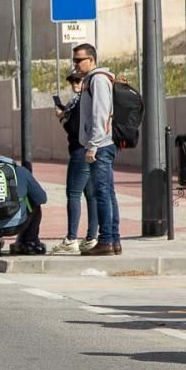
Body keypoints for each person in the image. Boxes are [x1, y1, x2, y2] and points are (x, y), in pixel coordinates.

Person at [74, 43, 121, 256]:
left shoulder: (98, 80)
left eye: (79, 60)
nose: (75, 64)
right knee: (107, 193)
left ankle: (107, 241)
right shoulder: (91, 80)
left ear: (91, 60)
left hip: (101, 145)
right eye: (74, 60)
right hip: (101, 144)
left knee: (102, 193)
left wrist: (92, 145)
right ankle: (114, 240)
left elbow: (100, 115)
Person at [50, 72, 99, 254]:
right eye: (71, 82)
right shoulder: (89, 98)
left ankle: (71, 238)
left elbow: (74, 128)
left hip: (80, 150)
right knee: (90, 195)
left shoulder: (81, 100)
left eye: (77, 81)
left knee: (73, 193)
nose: (74, 85)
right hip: (91, 149)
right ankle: (91, 237)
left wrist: (62, 117)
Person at [0, 146, 47, 257]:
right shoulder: (22, 172)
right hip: (16, 225)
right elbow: (42, 198)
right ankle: (30, 242)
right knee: (34, 203)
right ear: (13, 158)